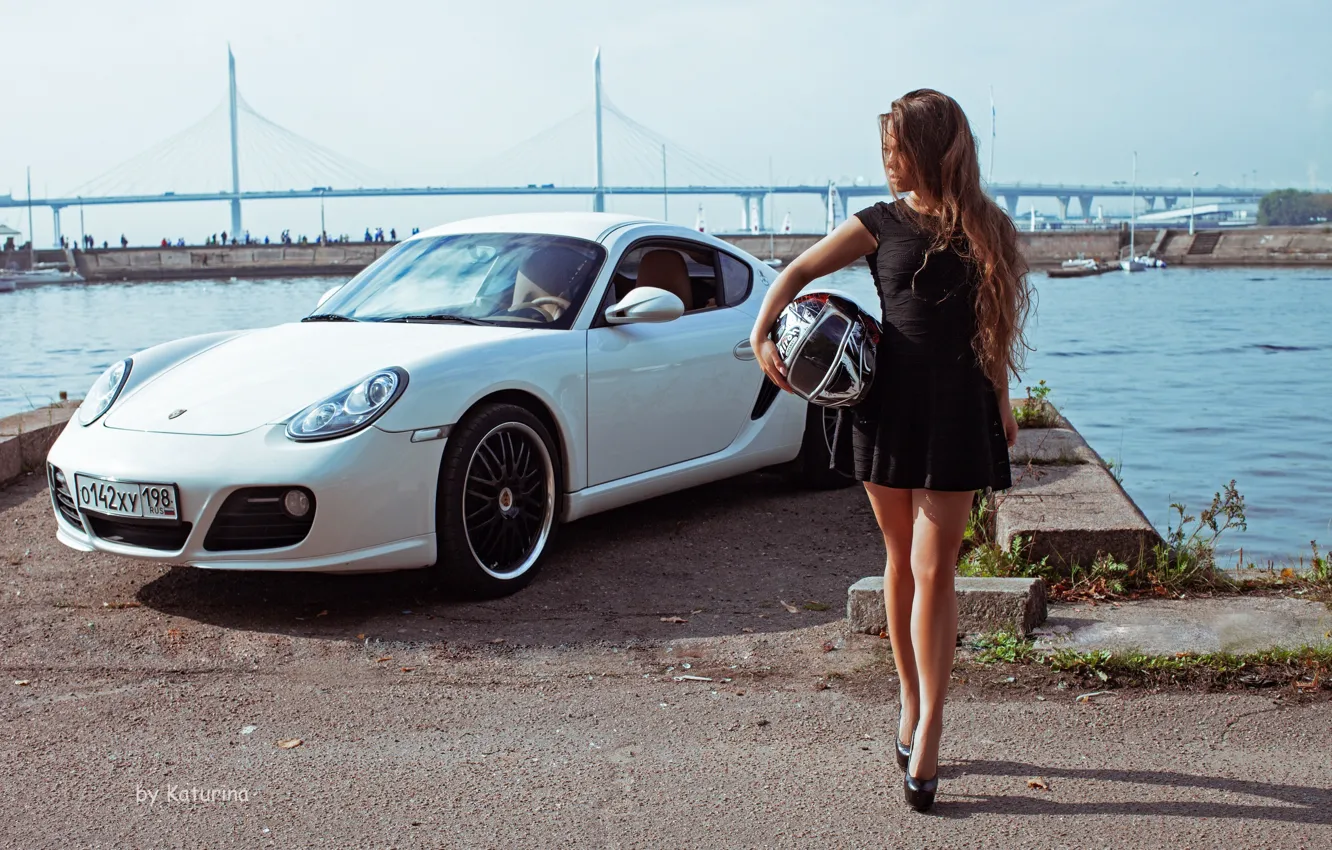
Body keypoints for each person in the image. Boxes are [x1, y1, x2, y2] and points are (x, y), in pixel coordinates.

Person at [749, 89, 1030, 813]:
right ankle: (910, 701)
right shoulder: (879, 223)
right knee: (900, 561)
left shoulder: (987, 226)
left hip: (957, 409)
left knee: (938, 573)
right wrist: (763, 334)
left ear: (929, 149)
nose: (887, 163)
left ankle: (931, 723)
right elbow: (798, 271)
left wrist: (1000, 399)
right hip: (885, 406)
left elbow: (991, 327)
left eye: (895, 149)